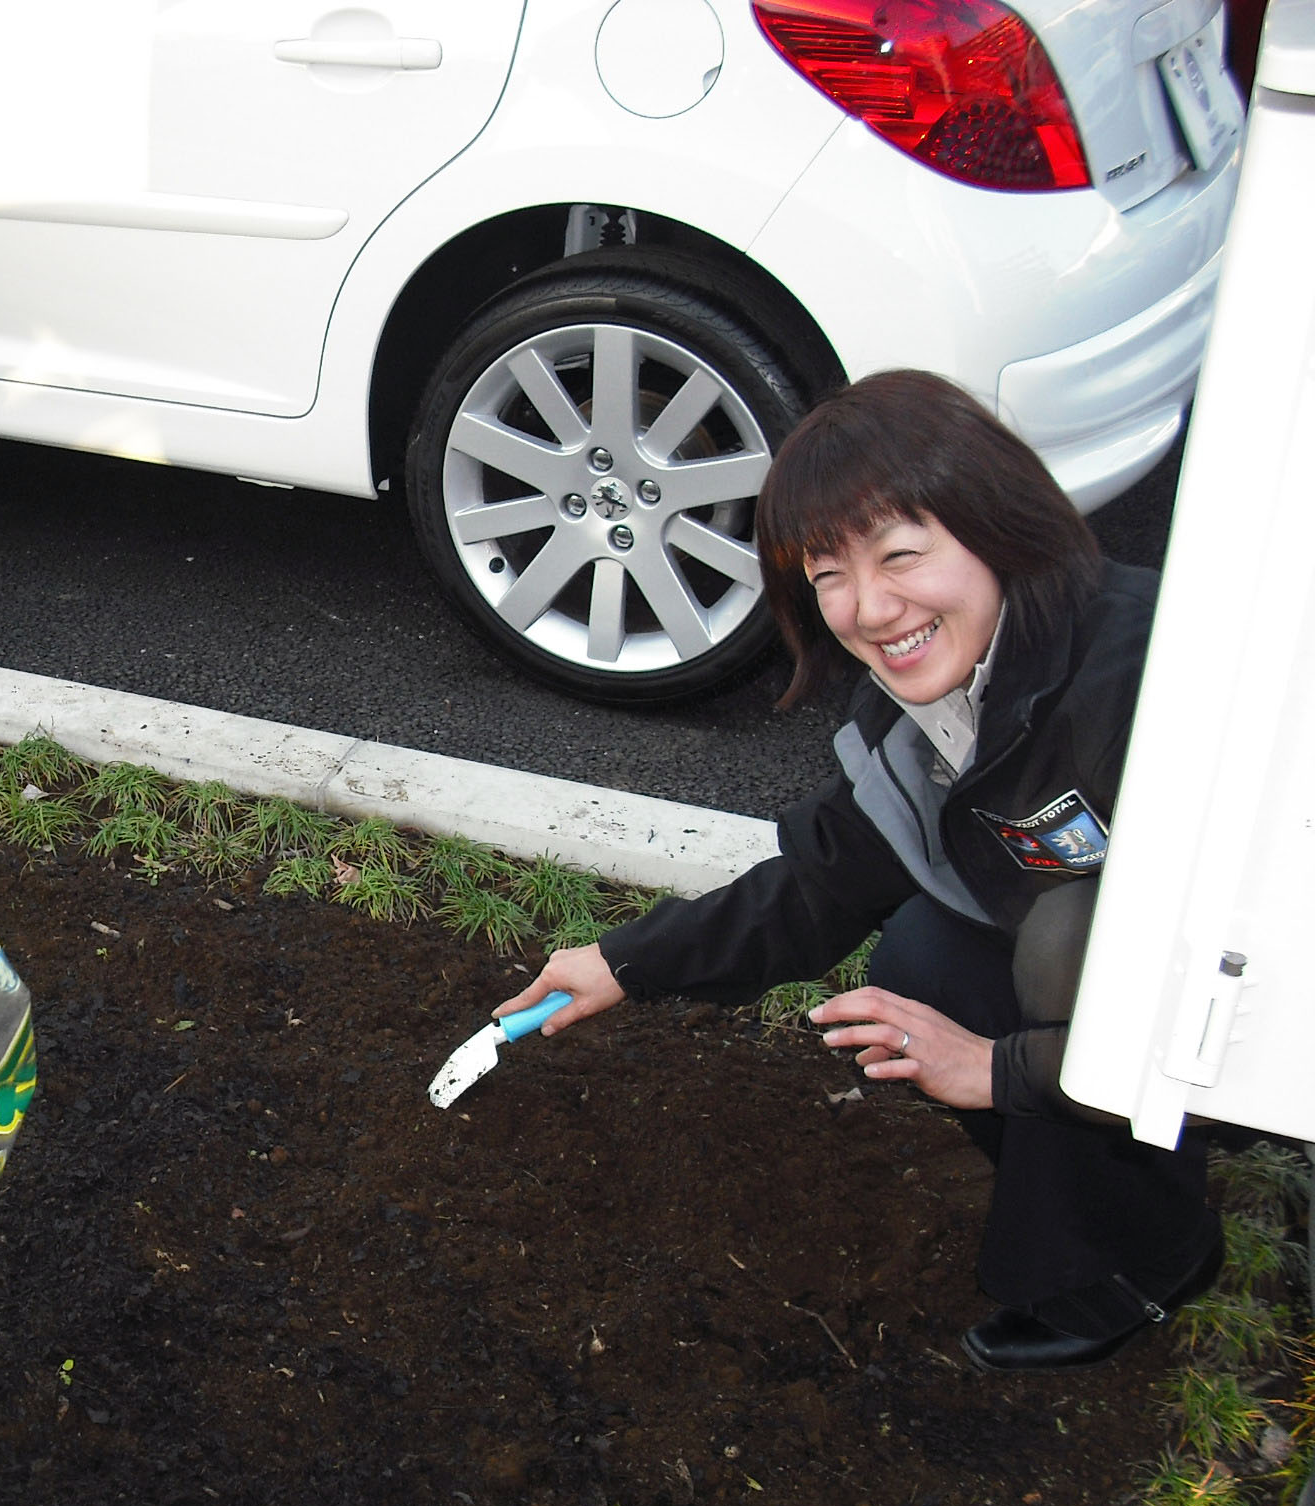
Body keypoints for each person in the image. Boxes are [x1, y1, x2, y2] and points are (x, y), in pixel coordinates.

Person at [498, 369, 1221, 1374]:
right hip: (1121, 1012)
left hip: (1254, 1014)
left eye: (901, 555)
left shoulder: (1156, 687)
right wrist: (621, 963)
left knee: (1060, 946)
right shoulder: (928, 708)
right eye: (828, 573)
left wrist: (995, 1069)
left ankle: (1151, 1247)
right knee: (927, 953)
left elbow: (1252, 983)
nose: (870, 608)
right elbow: (822, 886)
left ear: (997, 529)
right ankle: (1144, 1239)